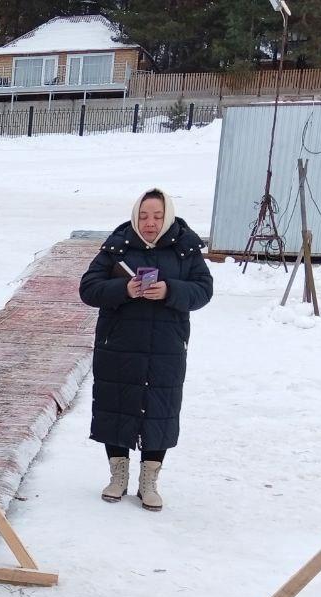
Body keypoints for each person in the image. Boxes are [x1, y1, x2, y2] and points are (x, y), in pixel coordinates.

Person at [79, 188, 213, 511]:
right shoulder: (118, 246)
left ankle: (149, 481)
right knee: (116, 405)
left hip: (166, 346)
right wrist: (124, 288)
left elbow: (204, 290)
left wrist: (170, 290)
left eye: (157, 216)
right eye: (143, 216)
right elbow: (88, 288)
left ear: (167, 217)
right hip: (118, 346)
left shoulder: (185, 248)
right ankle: (118, 476)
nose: (150, 223)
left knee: (159, 409)